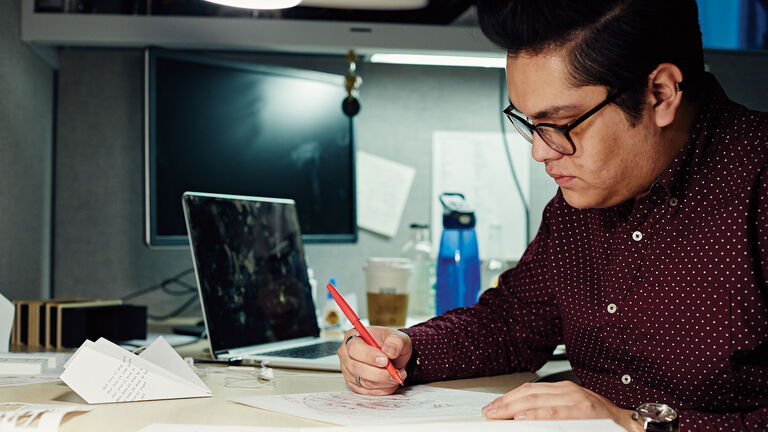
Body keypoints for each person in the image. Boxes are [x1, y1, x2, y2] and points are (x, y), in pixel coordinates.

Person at [337, 0, 768, 430]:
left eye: (560, 123)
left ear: (660, 94)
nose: (540, 151)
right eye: (528, 123)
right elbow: (513, 323)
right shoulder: (578, 203)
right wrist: (407, 348)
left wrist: (634, 424)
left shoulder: (758, 182)